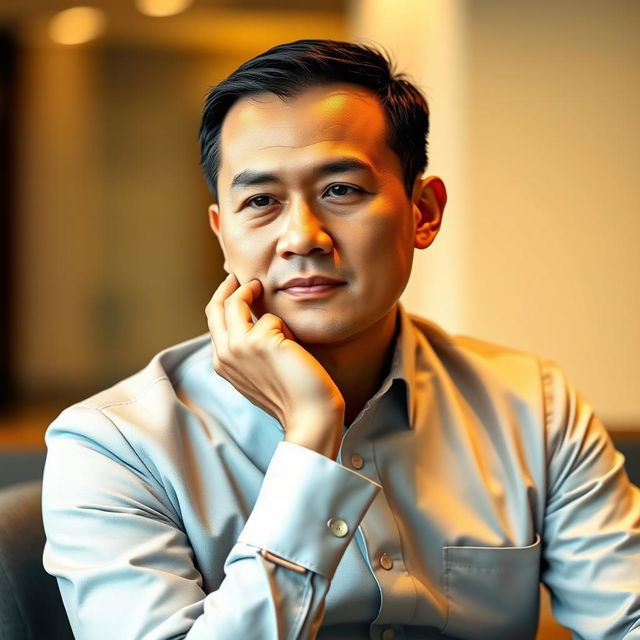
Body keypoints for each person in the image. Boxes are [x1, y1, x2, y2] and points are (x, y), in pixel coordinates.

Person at [42, 39, 640, 640]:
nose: (302, 237)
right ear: (223, 235)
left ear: (423, 211)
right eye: (261, 201)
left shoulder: (532, 406)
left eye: (341, 190)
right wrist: (309, 442)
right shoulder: (112, 446)